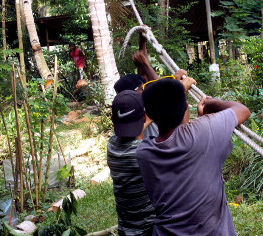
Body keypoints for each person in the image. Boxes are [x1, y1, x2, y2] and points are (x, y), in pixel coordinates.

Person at [136, 75, 251, 235]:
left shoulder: (144, 153)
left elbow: (179, 137)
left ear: (148, 114)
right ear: (186, 107)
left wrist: (202, 118)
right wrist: (211, 103)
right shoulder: (206, 130)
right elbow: (243, 111)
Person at [104, 38, 162, 236]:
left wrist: (142, 45)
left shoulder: (112, 145)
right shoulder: (146, 152)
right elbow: (162, 99)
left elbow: (145, 81)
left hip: (127, 229)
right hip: (150, 230)